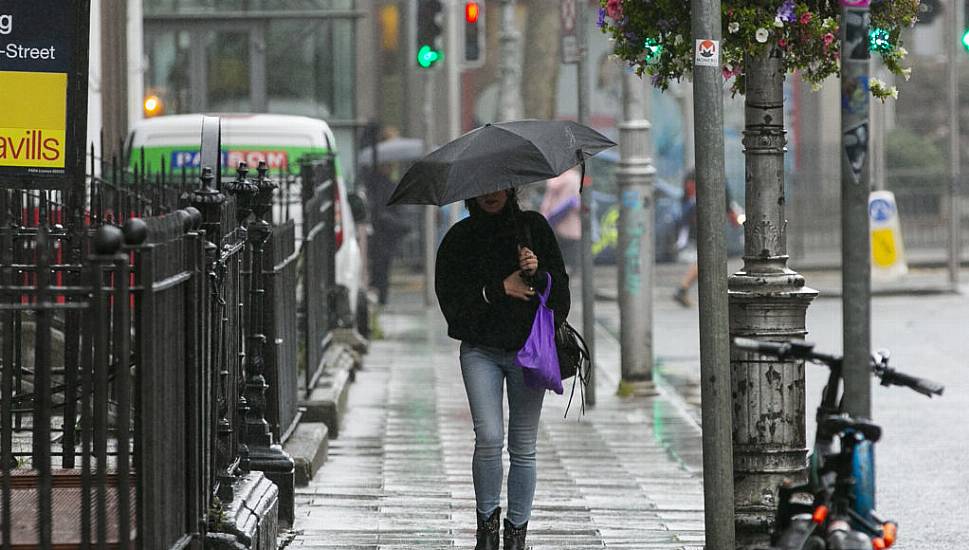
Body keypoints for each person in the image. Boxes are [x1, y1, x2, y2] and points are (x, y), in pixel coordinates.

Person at [435, 187, 570, 550]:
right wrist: (497, 289)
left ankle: (516, 535)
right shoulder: (459, 240)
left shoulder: (533, 229)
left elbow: (561, 300)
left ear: (511, 188)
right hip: (481, 352)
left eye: (498, 186)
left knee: (523, 446)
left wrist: (538, 274)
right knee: (489, 437)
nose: (490, 194)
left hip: (529, 352)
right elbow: (453, 309)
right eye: (481, 187)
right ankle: (487, 531)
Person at [672, 169, 742, 307]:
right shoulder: (717, 178)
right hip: (707, 225)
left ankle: (685, 289)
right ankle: (684, 288)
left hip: (704, 225)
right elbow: (726, 203)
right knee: (707, 258)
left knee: (708, 258)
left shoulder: (700, 182)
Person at [364, 162, 410, 305]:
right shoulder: (376, 186)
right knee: (379, 270)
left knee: (382, 270)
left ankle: (381, 298)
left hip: (385, 236)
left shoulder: (387, 186)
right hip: (380, 236)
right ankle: (380, 298)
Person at [539, 167, 581, 273]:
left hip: (551, 219)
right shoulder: (574, 178)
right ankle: (568, 270)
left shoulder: (553, 178)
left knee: (556, 249)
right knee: (569, 251)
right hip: (569, 221)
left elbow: (546, 202)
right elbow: (577, 202)